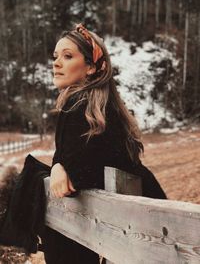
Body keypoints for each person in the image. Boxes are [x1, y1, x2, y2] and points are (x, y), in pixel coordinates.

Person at [41, 22, 167, 264]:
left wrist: (60, 166)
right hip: (144, 223)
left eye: (67, 56)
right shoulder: (96, 107)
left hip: (146, 233)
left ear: (90, 67)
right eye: (55, 56)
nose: (56, 63)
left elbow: (80, 169)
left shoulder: (80, 106)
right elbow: (72, 157)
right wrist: (59, 165)